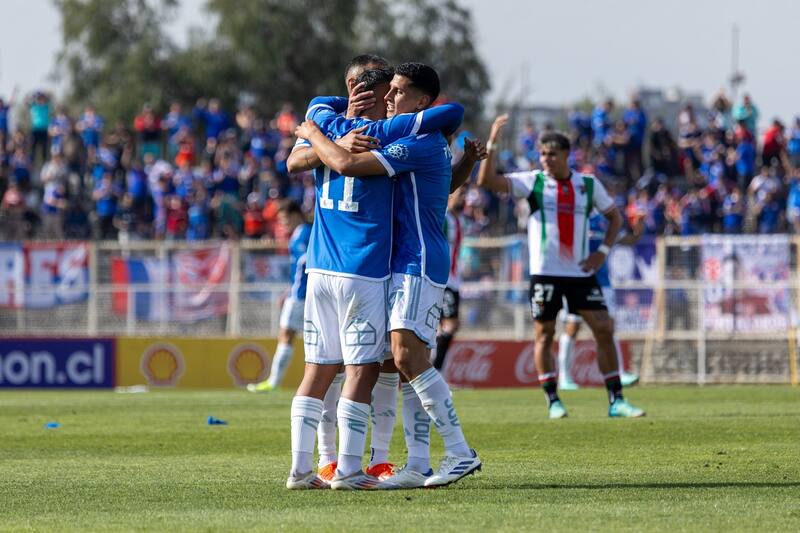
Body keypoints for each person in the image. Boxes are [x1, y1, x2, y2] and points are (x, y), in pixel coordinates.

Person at [297, 62, 483, 489]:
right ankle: (417, 463)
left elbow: (344, 162)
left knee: (405, 357)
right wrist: (467, 164)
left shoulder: (416, 140)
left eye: (398, 92)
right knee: (399, 361)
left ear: (420, 101)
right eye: (389, 90)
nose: (389, 98)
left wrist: (313, 132)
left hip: (417, 262)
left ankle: (458, 451)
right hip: (398, 263)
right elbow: (442, 185)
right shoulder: (418, 139)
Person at [478, 114, 645, 419]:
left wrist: (603, 251)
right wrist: (491, 143)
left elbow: (615, 217)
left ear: (567, 155)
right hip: (545, 273)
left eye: (552, 154)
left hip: (581, 272)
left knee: (604, 329)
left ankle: (616, 400)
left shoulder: (588, 185)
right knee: (545, 334)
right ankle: (553, 400)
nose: (546, 159)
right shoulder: (533, 182)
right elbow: (486, 181)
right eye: (542, 154)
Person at [557, 212, 642, 390]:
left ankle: (618, 372)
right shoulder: (573, 216)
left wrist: (638, 229)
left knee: (608, 326)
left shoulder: (604, 220)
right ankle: (564, 378)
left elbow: (627, 241)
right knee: (573, 326)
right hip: (576, 280)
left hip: (603, 283)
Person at [247, 200, 311, 392]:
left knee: (286, 335)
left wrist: (295, 292)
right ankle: (276, 382)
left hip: (301, 296)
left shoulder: (304, 233)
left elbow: (307, 263)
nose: (283, 223)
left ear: (295, 214)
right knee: (294, 336)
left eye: (284, 219)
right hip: (297, 292)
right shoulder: (300, 233)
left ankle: (274, 382)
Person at [433, 185, 466, 372]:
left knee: (447, 326)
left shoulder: (457, 219)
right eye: (460, 195)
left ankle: (435, 373)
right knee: (449, 325)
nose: (463, 199)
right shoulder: (444, 218)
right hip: (444, 281)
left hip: (454, 281)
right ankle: (435, 373)